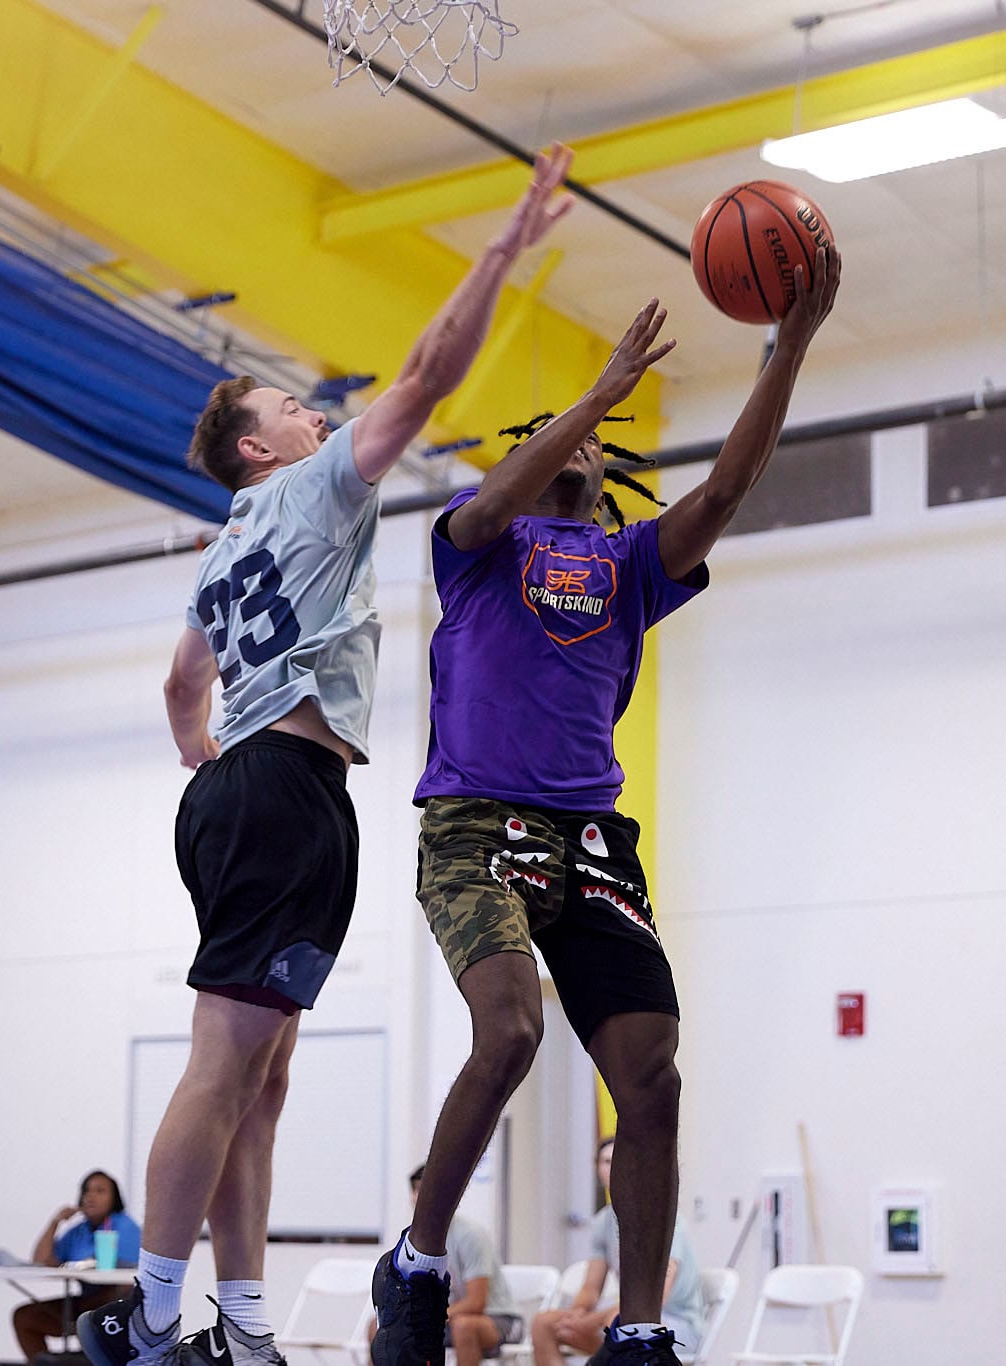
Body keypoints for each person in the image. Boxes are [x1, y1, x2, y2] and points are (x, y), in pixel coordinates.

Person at [78, 145, 579, 1366]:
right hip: (280, 790)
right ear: (259, 450)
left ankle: (243, 1321)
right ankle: (151, 1313)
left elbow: (180, 685)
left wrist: (209, 762)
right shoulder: (310, 492)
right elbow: (426, 374)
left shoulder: (223, 545)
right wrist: (502, 250)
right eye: (290, 410)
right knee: (224, 1063)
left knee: (265, 1071)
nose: (314, 414)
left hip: (263, 787)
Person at [373, 247, 841, 1366]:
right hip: (476, 825)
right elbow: (497, 494)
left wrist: (788, 348)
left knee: (652, 1076)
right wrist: (597, 392)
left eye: (589, 438)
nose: (575, 444)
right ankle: (419, 1262)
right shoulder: (477, 545)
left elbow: (723, 491)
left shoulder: (630, 564)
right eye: (554, 436)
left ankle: (637, 1331)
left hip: (590, 842)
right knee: (510, 1032)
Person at [528, 1140, 701, 1366]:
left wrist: (592, 1321)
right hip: (625, 1318)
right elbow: (591, 1288)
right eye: (607, 1162)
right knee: (544, 1324)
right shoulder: (603, 1221)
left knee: (619, 1324)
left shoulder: (662, 1218)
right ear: (597, 1168)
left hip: (671, 1325)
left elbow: (657, 1297)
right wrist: (578, 1313)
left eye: (619, 1162)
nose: (613, 1169)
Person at [370, 1167, 521, 1366]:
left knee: (463, 1326)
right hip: (447, 1318)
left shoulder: (470, 1235)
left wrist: (428, 1315)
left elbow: (476, 1302)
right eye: (417, 1190)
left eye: (428, 1191)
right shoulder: (412, 1239)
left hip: (496, 1318)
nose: (423, 1197)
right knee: (380, 1326)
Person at [14, 1172, 140, 1360]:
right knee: (25, 1317)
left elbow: (128, 1280)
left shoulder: (125, 1226)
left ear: (114, 1198)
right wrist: (55, 1222)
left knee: (94, 1321)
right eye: (86, 1191)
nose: (90, 1196)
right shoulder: (79, 1230)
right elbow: (42, 1261)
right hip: (83, 1306)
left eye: (100, 1191)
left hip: (116, 1307)